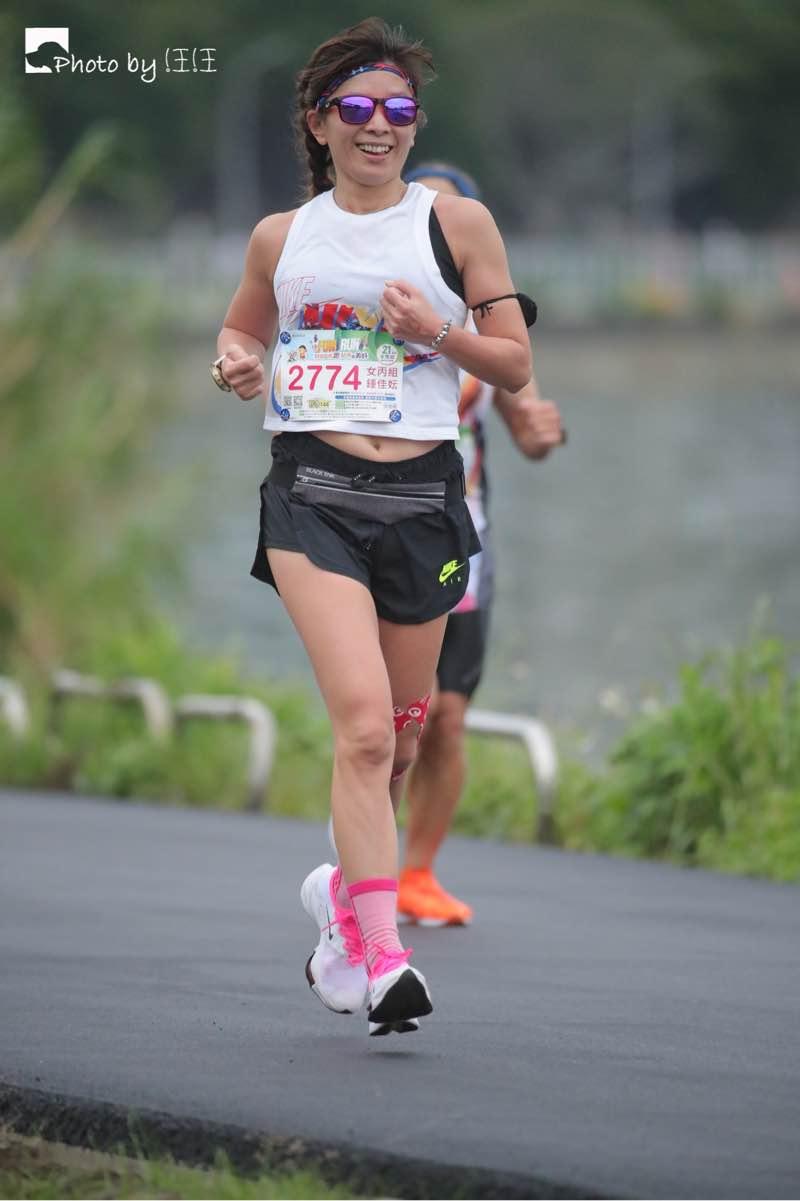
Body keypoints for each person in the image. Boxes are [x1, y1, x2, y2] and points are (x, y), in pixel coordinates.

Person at [212, 17, 532, 1036]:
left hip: (424, 500)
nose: (377, 124)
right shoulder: (282, 236)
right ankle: (385, 957)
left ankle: (339, 908)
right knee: (359, 727)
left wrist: (437, 331)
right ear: (319, 123)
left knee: (398, 738)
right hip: (311, 490)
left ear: (416, 123)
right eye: (355, 107)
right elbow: (242, 326)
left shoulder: (456, 224)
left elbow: (514, 361)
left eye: (397, 108)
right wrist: (235, 361)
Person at [396, 163, 565, 927]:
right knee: (401, 714)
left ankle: (418, 873)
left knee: (448, 717)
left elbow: (528, 423)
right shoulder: (379, 303)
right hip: (387, 528)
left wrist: (541, 431)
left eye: (455, 215)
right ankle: (363, 867)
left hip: (465, 540)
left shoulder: (490, 324)